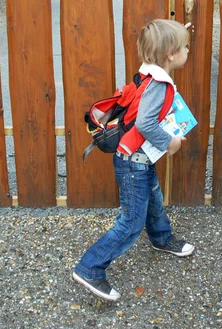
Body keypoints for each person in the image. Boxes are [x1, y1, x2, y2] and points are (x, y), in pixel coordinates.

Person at [73, 19, 195, 301]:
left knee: (153, 200)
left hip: (138, 160)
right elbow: (145, 124)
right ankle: (90, 267)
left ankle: (161, 238)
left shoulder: (148, 73)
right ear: (171, 54)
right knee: (130, 222)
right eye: (185, 46)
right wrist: (172, 142)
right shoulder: (160, 85)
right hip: (133, 164)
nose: (189, 50)